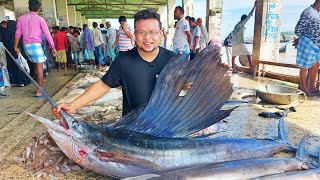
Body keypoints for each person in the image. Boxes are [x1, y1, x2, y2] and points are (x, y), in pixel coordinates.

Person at [52, 8, 175, 118]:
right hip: (132, 128)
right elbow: (102, 85)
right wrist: (72, 105)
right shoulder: (123, 61)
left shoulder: (173, 59)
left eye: (153, 32)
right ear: (135, 34)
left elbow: (185, 83)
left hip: (165, 126)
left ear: (160, 33)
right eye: (141, 32)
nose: (147, 38)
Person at [14, 0, 57, 98]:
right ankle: (39, 91)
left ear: (29, 8)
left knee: (35, 67)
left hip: (26, 46)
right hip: (36, 46)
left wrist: (15, 46)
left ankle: (39, 87)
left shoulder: (21, 18)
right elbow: (47, 34)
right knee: (40, 69)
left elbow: (18, 33)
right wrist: (53, 46)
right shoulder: (40, 19)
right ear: (39, 9)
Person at [294, 0, 320, 96]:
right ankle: (303, 87)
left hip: (316, 45)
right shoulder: (308, 12)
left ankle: (312, 87)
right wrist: (302, 40)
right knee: (304, 66)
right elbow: (298, 29)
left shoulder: (317, 12)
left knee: (316, 64)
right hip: (308, 43)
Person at [0, 20, 31, 87]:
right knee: (20, 65)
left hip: (10, 52)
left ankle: (16, 81)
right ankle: (22, 81)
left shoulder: (5, 31)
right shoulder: (15, 31)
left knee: (14, 66)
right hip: (17, 51)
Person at [231, 0, 256, 73]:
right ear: (244, 20)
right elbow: (249, 15)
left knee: (233, 56)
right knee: (248, 54)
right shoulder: (241, 24)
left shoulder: (238, 25)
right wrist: (254, 7)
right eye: (245, 20)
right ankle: (251, 69)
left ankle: (233, 69)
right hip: (239, 43)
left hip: (234, 42)